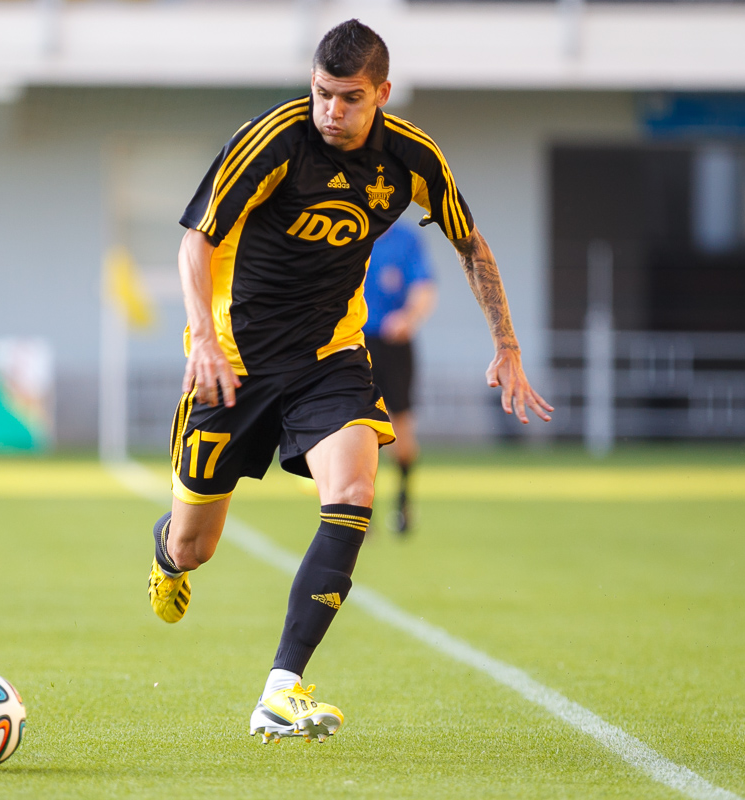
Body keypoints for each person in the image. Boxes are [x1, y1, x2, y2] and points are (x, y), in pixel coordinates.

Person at [146, 19, 553, 744]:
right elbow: (196, 240)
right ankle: (166, 555)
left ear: (382, 93)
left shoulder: (412, 158)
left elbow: (469, 242)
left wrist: (508, 345)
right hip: (233, 364)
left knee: (356, 492)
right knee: (194, 547)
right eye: (322, 93)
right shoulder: (274, 140)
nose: (331, 110)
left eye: (349, 97)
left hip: (329, 359)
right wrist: (202, 338)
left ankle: (281, 688)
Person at [363, 220, 437, 535]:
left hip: (394, 346)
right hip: (354, 344)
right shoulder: (348, 230)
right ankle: (358, 511)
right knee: (358, 430)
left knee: (401, 429)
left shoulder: (406, 239)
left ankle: (403, 504)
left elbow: (424, 286)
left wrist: (409, 317)